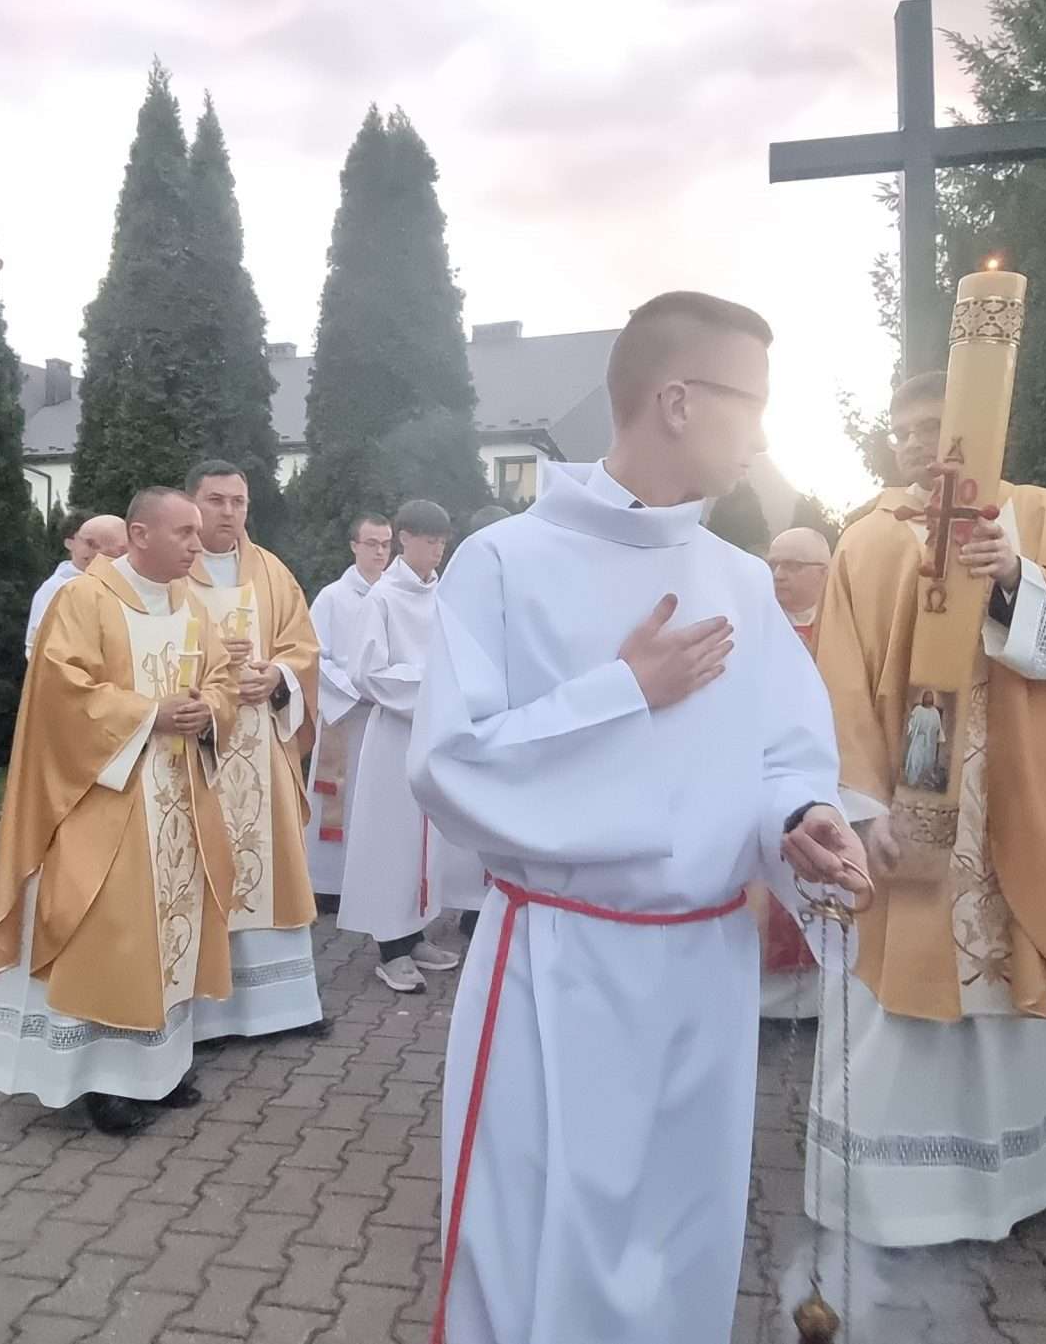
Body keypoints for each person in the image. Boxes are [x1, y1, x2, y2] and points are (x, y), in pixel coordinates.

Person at [410, 291, 873, 1344]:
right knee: (545, 1239)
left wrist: (802, 817)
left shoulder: (741, 581)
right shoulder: (503, 561)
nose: (761, 435)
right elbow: (449, 766)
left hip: (705, 966)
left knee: (684, 1234)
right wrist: (624, 689)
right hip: (561, 966)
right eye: (751, 404)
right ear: (676, 400)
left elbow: (783, 751)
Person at [800, 366, 1046, 1288]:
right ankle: (900, 1189)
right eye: (905, 430)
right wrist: (860, 801)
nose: (919, 444)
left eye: (936, 425)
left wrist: (1017, 578)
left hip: (1024, 795)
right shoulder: (869, 538)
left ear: (984, 425)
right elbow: (839, 679)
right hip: (916, 806)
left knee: (1037, 964)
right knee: (906, 991)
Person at [0, 486, 241, 1136]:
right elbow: (61, 694)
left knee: (169, 932)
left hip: (177, 799)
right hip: (106, 797)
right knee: (109, 932)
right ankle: (100, 1079)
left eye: (197, 532)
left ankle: (160, 1067)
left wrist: (208, 709)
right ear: (140, 534)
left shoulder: (188, 602)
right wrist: (150, 713)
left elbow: (220, 680)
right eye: (184, 532)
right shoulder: (85, 599)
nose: (197, 544)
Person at [184, 460, 325, 1041]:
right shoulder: (173, 572)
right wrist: (211, 684)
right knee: (201, 870)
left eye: (238, 501)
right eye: (215, 500)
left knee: (270, 866)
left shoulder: (271, 571)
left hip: (263, 744)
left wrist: (277, 677)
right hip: (199, 750)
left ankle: (280, 1009)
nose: (228, 512)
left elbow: (303, 648)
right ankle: (207, 1016)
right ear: (192, 504)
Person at [339, 501, 480, 992]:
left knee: (428, 840)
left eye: (443, 541)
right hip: (396, 735)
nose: (438, 550)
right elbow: (366, 671)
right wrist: (434, 683)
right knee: (392, 840)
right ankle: (390, 949)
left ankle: (415, 934)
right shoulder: (381, 598)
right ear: (404, 539)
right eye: (429, 540)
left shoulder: (444, 595)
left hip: (435, 733)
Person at [755, 525, 834, 1019]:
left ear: (824, 574)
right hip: (765, 775)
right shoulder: (754, 624)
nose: (779, 575)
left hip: (830, 778)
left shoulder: (846, 632)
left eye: (792, 566)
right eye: (773, 564)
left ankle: (817, 1000)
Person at [305, 513, 393, 899]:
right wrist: (354, 688)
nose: (379, 552)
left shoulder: (395, 594)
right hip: (344, 717)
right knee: (338, 799)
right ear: (354, 545)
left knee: (375, 802)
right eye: (371, 543)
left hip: (383, 716)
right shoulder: (332, 597)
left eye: (386, 544)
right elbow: (313, 654)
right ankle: (328, 885)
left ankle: (372, 882)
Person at [27, 513, 127, 662]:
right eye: (89, 543)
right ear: (69, 543)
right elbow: (36, 643)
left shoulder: (125, 585)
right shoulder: (55, 588)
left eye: (102, 543)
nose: (97, 551)